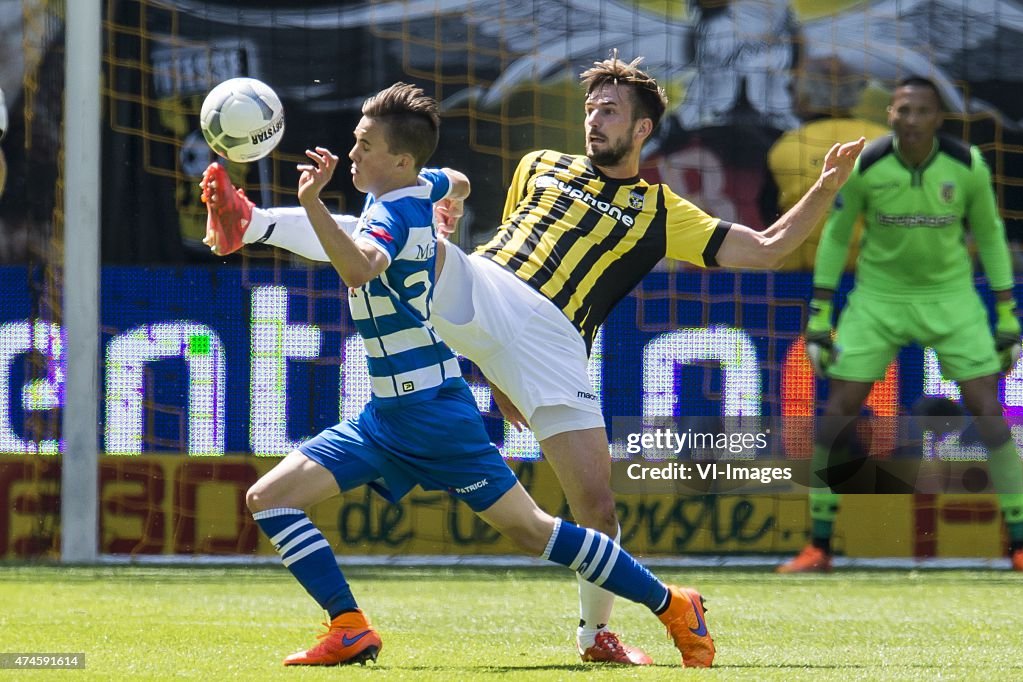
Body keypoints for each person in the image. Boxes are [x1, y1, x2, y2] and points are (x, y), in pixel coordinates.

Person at [202, 57, 865, 664]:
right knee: (405, 239)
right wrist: (452, 205)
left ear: (642, 130)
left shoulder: (662, 210)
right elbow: (447, 188)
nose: (594, 120)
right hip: (489, 290)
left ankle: (598, 634)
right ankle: (251, 221)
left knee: (596, 506)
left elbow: (771, 247)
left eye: (609, 111)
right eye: (591, 108)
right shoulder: (541, 164)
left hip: (552, 344)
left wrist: (827, 187)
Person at [777, 76, 1023, 573]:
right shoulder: (867, 166)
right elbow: (835, 236)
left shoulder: (966, 165)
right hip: (878, 300)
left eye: (922, 111)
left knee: (989, 414)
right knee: (837, 412)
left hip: (951, 298)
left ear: (937, 118)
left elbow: (992, 237)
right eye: (902, 110)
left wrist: (1005, 312)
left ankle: (1019, 543)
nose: (911, 120)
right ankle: (819, 545)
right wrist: (821, 314)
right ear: (889, 114)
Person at [763, 56, 889, 270]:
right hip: (875, 273)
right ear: (857, 92)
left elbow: (768, 211)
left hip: (801, 275)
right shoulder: (886, 141)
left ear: (804, 97)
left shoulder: (786, 146)